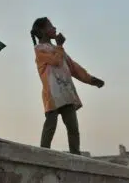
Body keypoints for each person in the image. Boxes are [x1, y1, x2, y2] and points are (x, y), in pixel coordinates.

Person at [29, 16, 105, 155]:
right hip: (52, 95)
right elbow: (56, 61)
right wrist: (60, 46)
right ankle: (42, 155)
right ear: (43, 31)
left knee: (73, 129)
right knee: (50, 126)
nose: (54, 28)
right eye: (50, 26)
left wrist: (91, 80)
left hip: (66, 93)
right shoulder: (39, 50)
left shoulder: (58, 49)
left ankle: (75, 156)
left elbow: (74, 68)